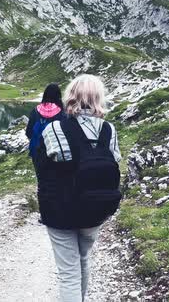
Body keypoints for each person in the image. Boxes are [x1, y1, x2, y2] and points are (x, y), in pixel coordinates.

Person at [36, 74, 122, 302]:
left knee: (68, 273)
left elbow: (44, 165)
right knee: (83, 259)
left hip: (60, 210)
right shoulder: (108, 130)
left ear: (71, 96)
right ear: (98, 99)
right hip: (95, 209)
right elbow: (115, 161)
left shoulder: (54, 128)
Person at [26, 83, 65, 161]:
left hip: (37, 150)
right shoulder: (62, 112)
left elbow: (29, 133)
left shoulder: (36, 110)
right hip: (55, 151)